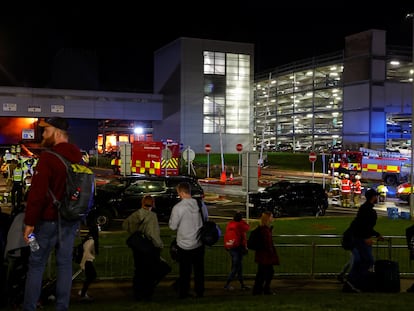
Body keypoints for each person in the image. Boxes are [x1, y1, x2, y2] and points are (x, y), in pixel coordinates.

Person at [22, 117, 82, 311]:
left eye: (46, 131)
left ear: (57, 133)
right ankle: (61, 307)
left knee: (37, 264)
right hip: (70, 221)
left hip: (48, 221)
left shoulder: (49, 158)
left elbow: (37, 195)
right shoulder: (77, 157)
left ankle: (29, 307)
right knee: (64, 265)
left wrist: (29, 223)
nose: (43, 135)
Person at [168, 182, 208, 299]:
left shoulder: (178, 208)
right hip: (199, 243)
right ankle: (200, 291)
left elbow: (173, 226)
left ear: (180, 192)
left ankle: (184, 292)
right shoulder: (201, 205)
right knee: (199, 271)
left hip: (184, 244)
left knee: (185, 271)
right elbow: (206, 219)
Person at [122, 194, 163, 301]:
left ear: (142, 203)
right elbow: (153, 233)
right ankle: (146, 293)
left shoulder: (135, 214)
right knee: (149, 271)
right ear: (153, 204)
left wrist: (134, 232)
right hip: (148, 247)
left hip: (137, 247)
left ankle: (137, 292)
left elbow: (125, 225)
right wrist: (159, 245)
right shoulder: (152, 216)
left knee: (138, 270)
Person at [343, 188, 384, 293]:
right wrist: (367, 237)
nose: (377, 198)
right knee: (368, 260)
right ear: (373, 197)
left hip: (358, 237)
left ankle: (353, 282)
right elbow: (364, 227)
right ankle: (354, 281)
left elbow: (363, 226)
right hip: (361, 239)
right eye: (376, 196)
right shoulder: (369, 211)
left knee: (360, 261)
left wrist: (376, 234)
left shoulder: (365, 208)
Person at [252, 211, 280, 296]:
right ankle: (265, 289)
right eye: (271, 217)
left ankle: (258, 290)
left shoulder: (262, 228)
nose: (273, 218)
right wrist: (272, 254)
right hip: (266, 256)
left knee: (261, 273)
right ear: (268, 218)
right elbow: (268, 244)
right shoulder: (265, 230)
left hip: (261, 255)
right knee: (268, 273)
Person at [223, 211, 250, 291]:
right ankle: (227, 284)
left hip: (231, 247)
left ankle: (242, 284)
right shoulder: (240, 225)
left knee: (238, 267)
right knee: (236, 267)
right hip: (238, 248)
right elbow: (247, 227)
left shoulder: (230, 224)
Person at [78, 233, 97, 302]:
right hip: (87, 262)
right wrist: (82, 264)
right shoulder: (91, 242)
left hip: (88, 261)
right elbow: (86, 253)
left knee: (90, 277)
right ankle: (83, 293)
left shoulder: (87, 243)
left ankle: (83, 292)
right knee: (92, 276)